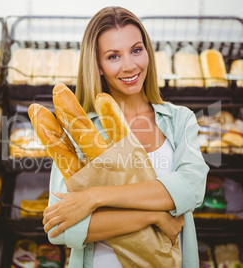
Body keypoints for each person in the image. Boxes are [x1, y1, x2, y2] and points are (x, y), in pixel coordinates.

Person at [43, 6, 209, 268]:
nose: (130, 65)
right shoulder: (80, 131)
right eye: (113, 56)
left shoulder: (180, 120)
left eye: (136, 50)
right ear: (97, 65)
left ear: (147, 53)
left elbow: (190, 189)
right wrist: (154, 215)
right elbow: (60, 228)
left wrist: (95, 197)